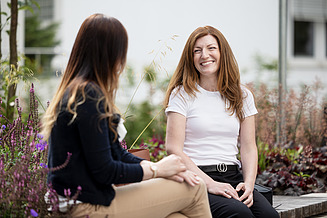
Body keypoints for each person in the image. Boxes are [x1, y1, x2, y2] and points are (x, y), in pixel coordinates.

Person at [41, 14, 212, 218]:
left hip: (80, 202)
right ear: (111, 54)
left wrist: (159, 167)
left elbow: (117, 154)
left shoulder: (77, 92)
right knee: (195, 188)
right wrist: (157, 171)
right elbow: (105, 171)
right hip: (85, 208)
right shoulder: (88, 96)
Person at [164, 26, 279, 218]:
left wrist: (249, 184)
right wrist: (211, 184)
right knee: (239, 214)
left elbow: (249, 147)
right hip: (195, 179)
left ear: (222, 53)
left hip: (233, 177)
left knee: (269, 216)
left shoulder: (242, 96)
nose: (204, 55)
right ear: (190, 58)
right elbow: (173, 149)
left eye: (211, 48)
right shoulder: (181, 95)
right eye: (197, 51)